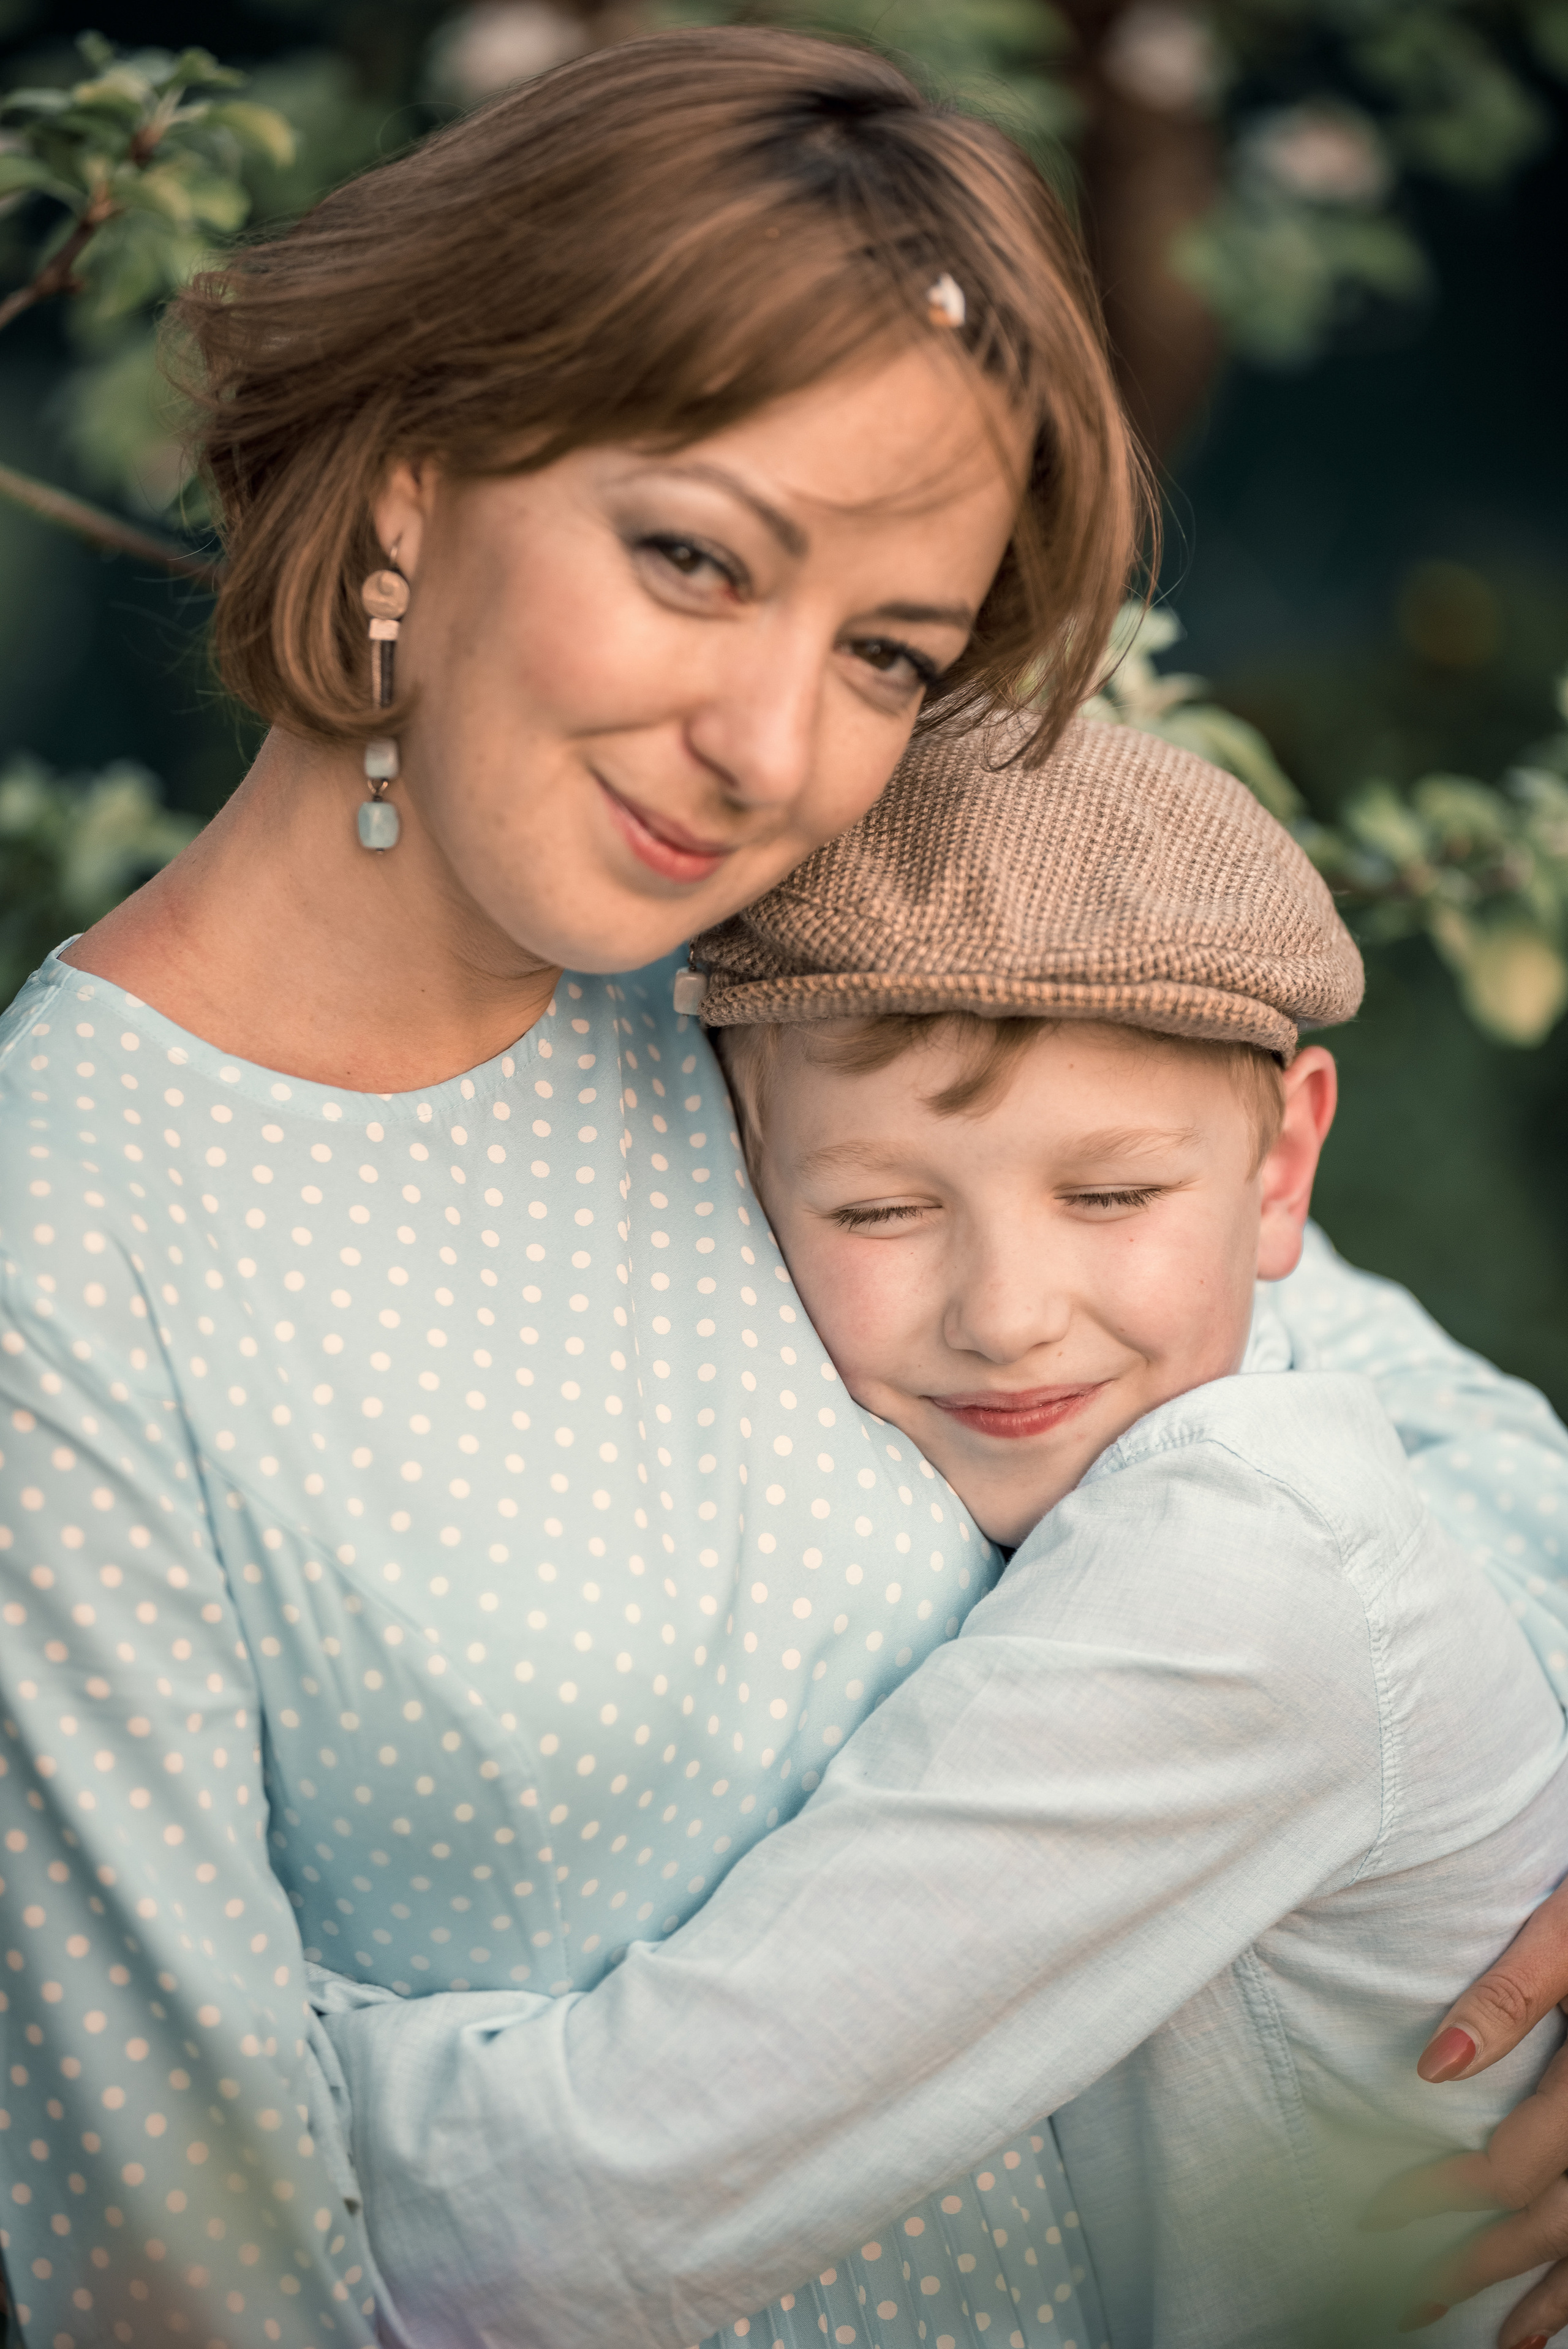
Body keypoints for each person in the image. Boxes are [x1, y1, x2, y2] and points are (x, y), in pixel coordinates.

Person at [1, 25, 1567, 2349]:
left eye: (885, 655)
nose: (771, 749)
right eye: (691, 559)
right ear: (419, 481)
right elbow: (184, 2265)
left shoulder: (785, 960)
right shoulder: (67, 1252)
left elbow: (1368, 1399)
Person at [313, 713, 1568, 2349]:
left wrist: (119, 1997)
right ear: (738, 1160)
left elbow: (567, 2215)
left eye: (1107, 1200)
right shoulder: (1206, 1366)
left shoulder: (1241, 1563)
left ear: (1287, 1172)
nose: (1008, 1314)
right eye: (883, 1210)